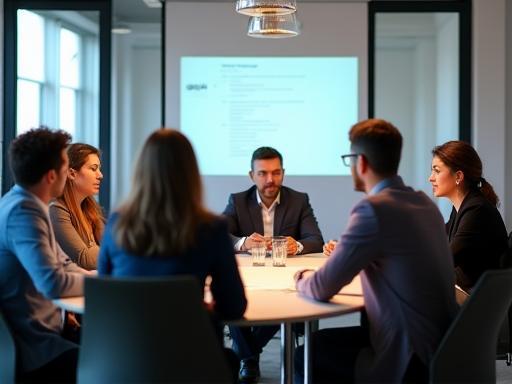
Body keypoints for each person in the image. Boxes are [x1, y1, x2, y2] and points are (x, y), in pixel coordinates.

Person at [294, 119, 458, 383]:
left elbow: (321, 288)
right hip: (441, 348)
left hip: (408, 358)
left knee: (306, 354)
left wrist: (300, 277)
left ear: (361, 163)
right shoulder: (424, 203)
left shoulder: (373, 210)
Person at [97, 129, 247, 382]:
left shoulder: (117, 223)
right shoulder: (211, 228)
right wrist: (202, 309)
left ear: (141, 171)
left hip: (122, 360)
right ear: (190, 173)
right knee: (231, 361)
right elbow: (234, 307)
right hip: (191, 363)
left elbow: (107, 292)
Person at [223, 146, 323, 383]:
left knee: (285, 304)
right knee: (229, 290)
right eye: (263, 173)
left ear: (283, 173)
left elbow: (315, 240)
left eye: (276, 173)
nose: (270, 180)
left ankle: (245, 357)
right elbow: (220, 235)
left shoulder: (298, 200)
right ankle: (249, 356)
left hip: (283, 276)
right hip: (251, 276)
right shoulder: (237, 201)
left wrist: (296, 246)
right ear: (251, 176)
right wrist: (244, 242)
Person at [0, 128, 88, 383]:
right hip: (35, 348)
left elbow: (64, 263)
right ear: (52, 176)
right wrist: (99, 282)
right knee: (115, 363)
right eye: (65, 166)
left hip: (51, 331)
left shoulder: (26, 203)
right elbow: (51, 282)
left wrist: (93, 275)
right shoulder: (23, 212)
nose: (68, 173)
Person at [429, 140, 508, 291]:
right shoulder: (462, 207)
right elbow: (435, 239)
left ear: (458, 176)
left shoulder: (476, 211)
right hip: (470, 298)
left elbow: (444, 261)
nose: (431, 178)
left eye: (437, 171)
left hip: (477, 305)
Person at [50, 143, 105, 270]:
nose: (100, 175)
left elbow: (109, 246)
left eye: (99, 169)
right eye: (93, 168)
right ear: (72, 174)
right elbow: (84, 259)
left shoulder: (90, 207)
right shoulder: (56, 209)